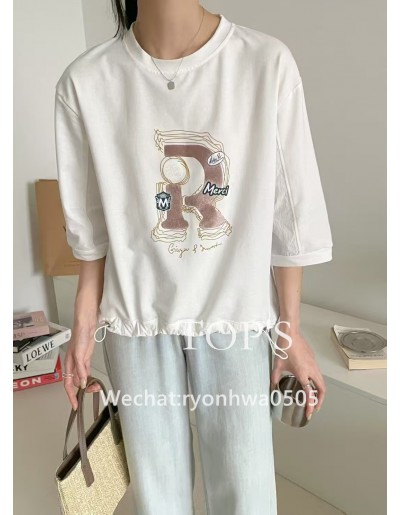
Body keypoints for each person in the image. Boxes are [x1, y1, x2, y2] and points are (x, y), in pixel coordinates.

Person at [54, 1, 333, 513]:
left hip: (237, 314)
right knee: (157, 492)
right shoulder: (86, 82)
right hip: (136, 317)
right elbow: (92, 232)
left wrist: (289, 331)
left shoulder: (264, 63)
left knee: (245, 490)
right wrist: (83, 329)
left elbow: (289, 213)